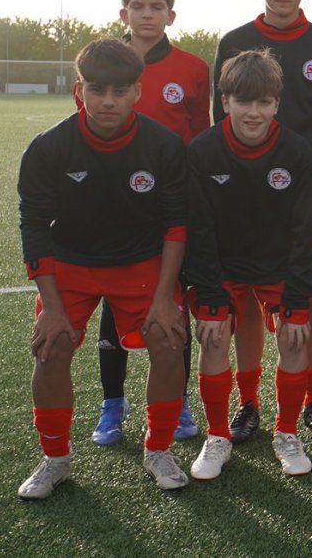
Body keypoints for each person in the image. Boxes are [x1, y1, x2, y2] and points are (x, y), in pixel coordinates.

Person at [18, 39, 189, 499]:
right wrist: (52, 308)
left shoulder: (164, 146)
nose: (108, 101)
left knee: (169, 341)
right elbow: (34, 227)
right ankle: (55, 459)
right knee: (51, 346)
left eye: (119, 90)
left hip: (140, 262)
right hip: (71, 263)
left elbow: (176, 227)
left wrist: (162, 299)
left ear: (138, 90)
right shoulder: (48, 148)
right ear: (80, 90)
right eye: (97, 89)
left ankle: (158, 449)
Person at [213, 0, 312, 444]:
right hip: (245, 194)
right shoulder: (234, 41)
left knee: (308, 296)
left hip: (304, 196)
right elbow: (218, 119)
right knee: (245, 299)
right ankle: (247, 402)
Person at [89, 0, 208, 447]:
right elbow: (84, 128)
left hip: (169, 205)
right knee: (110, 299)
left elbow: (200, 139)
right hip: (111, 203)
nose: (147, 14)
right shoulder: (98, 62)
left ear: (171, 15)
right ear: (124, 12)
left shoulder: (193, 69)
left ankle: (176, 404)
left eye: (156, 7)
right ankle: (112, 404)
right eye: (138, 6)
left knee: (174, 303)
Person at [184, 50, 312, 479]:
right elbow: (198, 232)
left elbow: (303, 233)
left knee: (295, 339)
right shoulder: (203, 151)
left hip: (278, 267)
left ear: (277, 104)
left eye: (263, 103)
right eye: (244, 102)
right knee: (214, 337)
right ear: (225, 102)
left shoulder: (297, 152)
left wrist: (296, 302)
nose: (253, 112)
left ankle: (287, 432)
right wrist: (209, 297)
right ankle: (218, 435)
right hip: (223, 267)